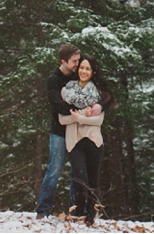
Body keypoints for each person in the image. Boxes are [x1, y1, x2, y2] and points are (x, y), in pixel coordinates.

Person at [35, 44, 103, 219]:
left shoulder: (78, 74)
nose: (77, 65)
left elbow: (104, 94)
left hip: (78, 131)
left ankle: (77, 210)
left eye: (78, 61)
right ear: (63, 62)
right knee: (55, 169)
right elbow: (57, 105)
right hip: (60, 131)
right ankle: (43, 211)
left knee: (79, 173)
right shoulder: (54, 80)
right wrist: (82, 112)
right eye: (74, 62)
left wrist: (100, 106)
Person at [59, 54, 117, 226]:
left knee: (93, 179)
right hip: (74, 140)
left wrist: (79, 118)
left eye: (88, 69)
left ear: (93, 72)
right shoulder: (66, 91)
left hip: (93, 140)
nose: (84, 71)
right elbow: (62, 119)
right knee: (80, 178)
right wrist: (82, 116)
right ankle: (78, 212)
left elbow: (98, 120)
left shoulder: (99, 95)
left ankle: (91, 216)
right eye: (82, 68)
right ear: (78, 70)